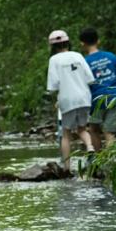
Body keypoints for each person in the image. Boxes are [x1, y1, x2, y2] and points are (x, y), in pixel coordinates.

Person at [79, 27, 116, 150]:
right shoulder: (110, 56)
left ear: (82, 44)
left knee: (94, 129)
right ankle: (110, 164)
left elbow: (82, 84)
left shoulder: (84, 62)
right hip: (115, 98)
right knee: (110, 132)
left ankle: (97, 161)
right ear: (98, 41)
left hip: (96, 100)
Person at [47, 30, 95, 172]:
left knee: (66, 134)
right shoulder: (78, 55)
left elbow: (53, 85)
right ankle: (90, 147)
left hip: (67, 99)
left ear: (53, 47)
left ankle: (67, 167)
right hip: (84, 98)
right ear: (68, 43)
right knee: (82, 129)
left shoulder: (54, 60)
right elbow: (90, 78)